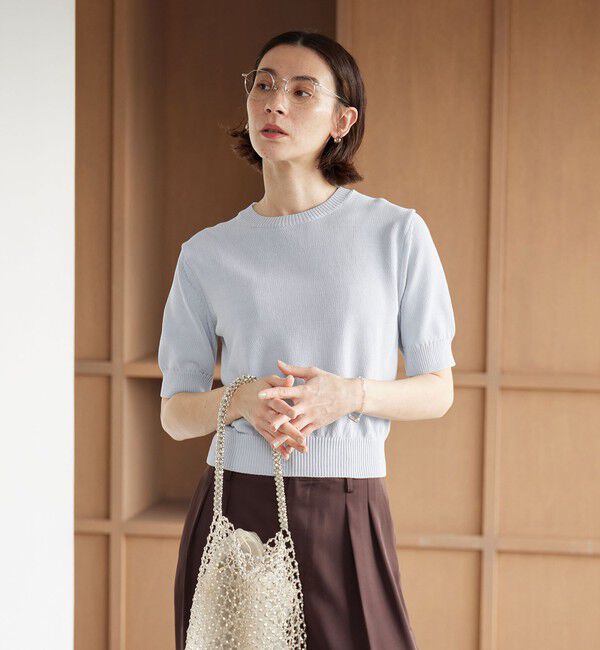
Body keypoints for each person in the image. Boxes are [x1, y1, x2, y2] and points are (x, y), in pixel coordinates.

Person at [159, 29, 456, 650]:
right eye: (264, 85)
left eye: (301, 91)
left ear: (342, 120)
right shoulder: (207, 253)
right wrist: (241, 399)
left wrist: (348, 395)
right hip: (235, 509)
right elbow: (175, 414)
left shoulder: (395, 234)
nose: (275, 103)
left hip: (350, 503)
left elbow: (437, 390)